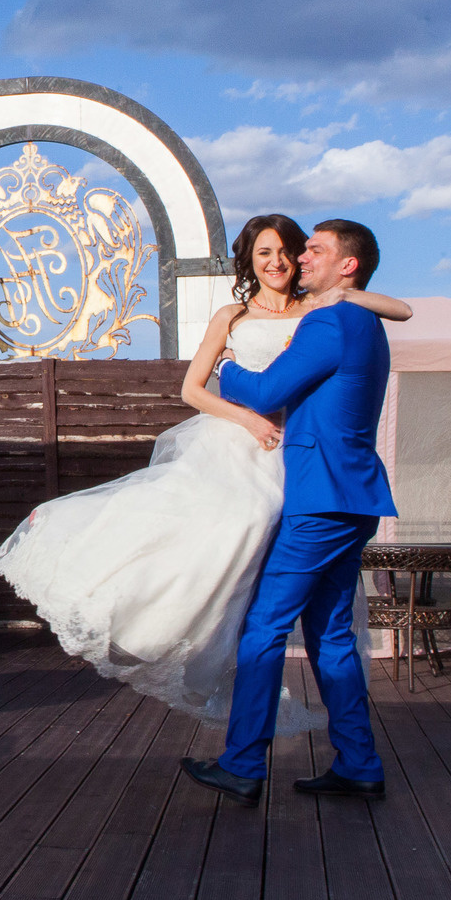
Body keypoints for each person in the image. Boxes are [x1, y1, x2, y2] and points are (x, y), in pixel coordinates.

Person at [0, 214, 407, 724]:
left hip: (300, 461)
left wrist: (344, 295)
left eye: (292, 252)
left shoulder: (322, 311)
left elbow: (396, 309)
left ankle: (248, 747)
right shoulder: (234, 316)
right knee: (217, 536)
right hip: (249, 442)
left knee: (276, 602)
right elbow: (192, 390)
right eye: (265, 255)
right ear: (250, 263)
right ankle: (162, 631)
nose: (282, 262)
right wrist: (249, 422)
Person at [182, 218, 397, 807]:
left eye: (315, 251)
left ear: (347, 266)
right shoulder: (364, 321)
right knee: (330, 634)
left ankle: (243, 763)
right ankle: (358, 763)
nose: (302, 259)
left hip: (320, 498)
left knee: (264, 626)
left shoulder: (331, 321)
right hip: (353, 496)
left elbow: (263, 393)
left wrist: (226, 365)